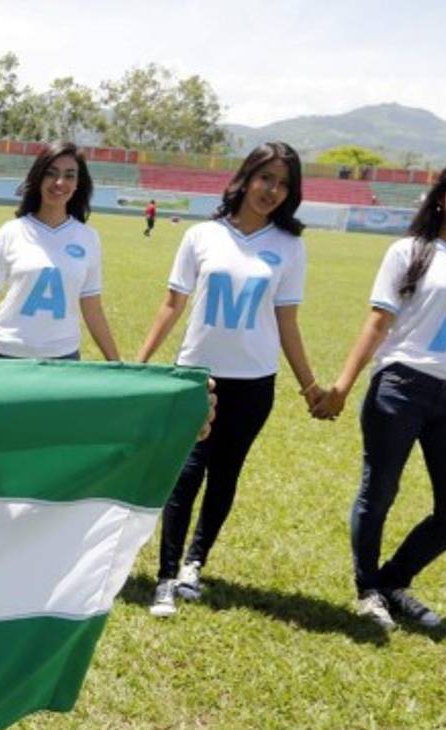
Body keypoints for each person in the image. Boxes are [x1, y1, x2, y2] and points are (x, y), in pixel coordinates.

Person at [312, 154, 446, 629]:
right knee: (378, 493)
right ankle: (368, 590)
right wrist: (341, 385)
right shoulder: (409, 251)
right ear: (443, 194)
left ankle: (393, 580)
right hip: (401, 388)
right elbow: (377, 322)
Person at [138, 142, 322, 618]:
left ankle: (193, 565)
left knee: (225, 474)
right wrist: (140, 361)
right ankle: (164, 578)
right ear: (245, 178)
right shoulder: (202, 235)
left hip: (255, 382)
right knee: (185, 474)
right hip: (197, 376)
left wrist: (310, 387)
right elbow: (172, 304)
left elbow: (288, 322)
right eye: (266, 178)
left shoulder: (289, 246)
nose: (273, 190)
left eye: (284, 184)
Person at [0, 142, 121, 362]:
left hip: (63, 360)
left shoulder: (88, 238)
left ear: (78, 184)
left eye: (69, 176)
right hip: (3, 355)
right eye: (51, 174)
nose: (59, 182)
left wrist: (117, 363)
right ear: (38, 177)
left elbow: (92, 308)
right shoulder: (11, 231)